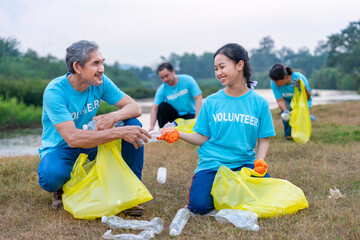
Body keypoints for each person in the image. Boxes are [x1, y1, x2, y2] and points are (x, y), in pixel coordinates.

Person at [158, 43, 276, 215]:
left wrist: (260, 160)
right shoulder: (211, 102)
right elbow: (201, 137)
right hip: (212, 164)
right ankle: (226, 191)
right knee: (199, 207)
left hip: (245, 164)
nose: (218, 72)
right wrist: (179, 134)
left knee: (266, 198)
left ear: (239, 65)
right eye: (216, 68)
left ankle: (231, 191)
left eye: (222, 66)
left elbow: (263, 139)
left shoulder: (260, 103)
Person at [37, 40, 151, 217]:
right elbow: (72, 138)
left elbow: (134, 108)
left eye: (102, 62)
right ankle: (59, 189)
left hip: (91, 142)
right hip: (62, 147)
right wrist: (119, 132)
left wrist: (114, 116)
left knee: (133, 125)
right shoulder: (55, 92)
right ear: (77, 67)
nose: (102, 69)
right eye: (95, 63)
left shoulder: (100, 82)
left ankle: (129, 192)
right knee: (52, 176)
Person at [149, 62, 203, 131]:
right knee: (162, 106)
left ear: (173, 72)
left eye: (166, 76)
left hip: (191, 114)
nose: (165, 79)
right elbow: (154, 109)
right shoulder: (162, 89)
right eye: (162, 78)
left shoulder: (188, 80)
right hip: (176, 116)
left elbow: (199, 98)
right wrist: (151, 126)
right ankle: (163, 131)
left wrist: (197, 118)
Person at [269, 63, 313, 140]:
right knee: (286, 114)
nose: (275, 83)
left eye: (277, 81)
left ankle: (301, 133)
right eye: (273, 81)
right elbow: (280, 100)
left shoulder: (299, 78)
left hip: (301, 100)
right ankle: (288, 135)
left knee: (299, 116)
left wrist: (303, 87)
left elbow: (308, 98)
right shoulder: (274, 82)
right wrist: (285, 111)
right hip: (287, 100)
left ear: (285, 77)